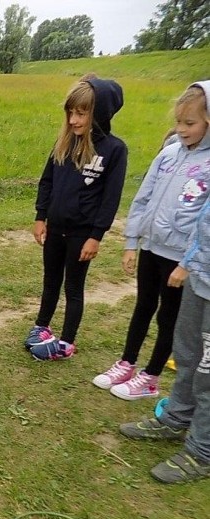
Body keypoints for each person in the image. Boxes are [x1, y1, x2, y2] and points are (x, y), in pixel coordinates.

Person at [94, 82, 210, 399]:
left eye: (190, 123)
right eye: (178, 122)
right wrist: (132, 241)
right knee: (143, 306)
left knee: (168, 317)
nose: (181, 130)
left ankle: (151, 377)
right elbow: (143, 199)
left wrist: (187, 263)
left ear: (209, 122)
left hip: (181, 258)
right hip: (151, 247)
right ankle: (126, 363)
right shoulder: (168, 154)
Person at [24, 75, 128, 360]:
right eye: (71, 112)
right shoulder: (64, 143)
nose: (73, 120)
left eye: (81, 113)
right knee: (50, 280)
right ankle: (42, 327)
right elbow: (47, 181)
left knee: (73, 287)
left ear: (100, 113)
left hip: (82, 234)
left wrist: (96, 236)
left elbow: (110, 198)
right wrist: (40, 216)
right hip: (56, 227)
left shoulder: (115, 150)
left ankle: (66, 342)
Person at [119, 192, 210, 484]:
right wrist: (189, 261)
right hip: (199, 274)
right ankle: (175, 420)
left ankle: (201, 451)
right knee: (187, 354)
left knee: (208, 371)